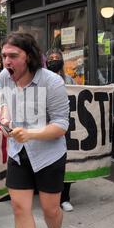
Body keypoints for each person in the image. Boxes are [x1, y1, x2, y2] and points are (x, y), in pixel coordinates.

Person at [0, 33, 70, 228]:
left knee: (51, 211)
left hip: (49, 156)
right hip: (17, 154)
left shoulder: (52, 81)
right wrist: (5, 118)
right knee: (20, 209)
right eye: (4, 56)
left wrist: (29, 134)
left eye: (13, 56)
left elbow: (61, 125)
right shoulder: (4, 76)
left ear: (28, 56)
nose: (7, 62)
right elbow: (5, 102)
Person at [46, 49, 75, 212]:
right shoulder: (40, 79)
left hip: (65, 127)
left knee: (66, 162)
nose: (54, 60)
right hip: (46, 127)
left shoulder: (69, 79)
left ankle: (65, 198)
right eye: (51, 58)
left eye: (57, 58)